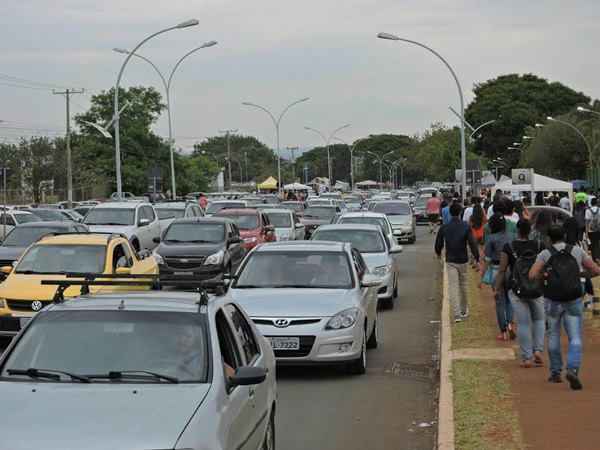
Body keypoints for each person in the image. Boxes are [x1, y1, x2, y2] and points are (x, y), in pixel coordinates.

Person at [529, 224, 600, 390]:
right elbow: (596, 270)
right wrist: (581, 275)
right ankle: (573, 368)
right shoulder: (576, 251)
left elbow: (532, 275)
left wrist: (544, 276)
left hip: (552, 300)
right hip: (573, 299)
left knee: (553, 335)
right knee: (575, 336)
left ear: (549, 238)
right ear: (565, 236)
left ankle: (555, 372)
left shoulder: (545, 254)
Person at [496, 219, 544, 367]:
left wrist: (497, 288)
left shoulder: (509, 247)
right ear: (530, 230)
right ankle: (538, 350)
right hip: (536, 288)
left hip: (516, 289)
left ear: (517, 230)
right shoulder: (538, 245)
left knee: (523, 323)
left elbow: (502, 270)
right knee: (539, 320)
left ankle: (527, 357)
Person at [435, 202, 480, 322]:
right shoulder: (466, 226)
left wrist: (439, 253)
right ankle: (464, 310)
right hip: (463, 259)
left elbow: (438, 243)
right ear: (460, 212)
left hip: (450, 260)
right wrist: (476, 257)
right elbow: (472, 243)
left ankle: (456, 314)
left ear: (450, 213)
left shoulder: (445, 227)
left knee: (453, 287)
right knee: (464, 285)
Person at [482, 213, 514, 340]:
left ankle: (503, 331)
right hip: (511, 270)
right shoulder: (513, 236)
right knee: (510, 300)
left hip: (496, 270)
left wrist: (482, 275)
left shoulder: (491, 238)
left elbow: (487, 259)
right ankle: (510, 323)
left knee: (499, 302)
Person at [586, 197, 600, 262]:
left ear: (591, 203)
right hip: (598, 229)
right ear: (597, 203)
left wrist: (586, 232)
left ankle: (594, 258)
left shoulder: (587, 210)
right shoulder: (599, 209)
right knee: (597, 243)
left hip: (590, 230)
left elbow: (587, 222)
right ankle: (598, 256)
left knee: (592, 243)